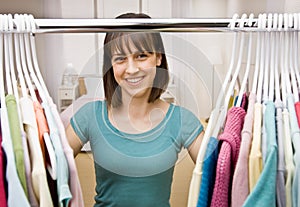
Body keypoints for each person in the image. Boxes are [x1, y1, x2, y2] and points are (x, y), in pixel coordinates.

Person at [66, 12, 204, 207]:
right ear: (111, 66)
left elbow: (221, 172)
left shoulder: (182, 120)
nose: (131, 69)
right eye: (120, 58)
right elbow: (49, 170)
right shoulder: (90, 115)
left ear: (157, 58)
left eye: (141, 56)